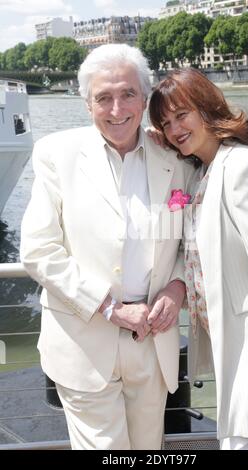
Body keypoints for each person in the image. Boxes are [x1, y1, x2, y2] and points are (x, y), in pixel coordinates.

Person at [20, 45, 193, 450]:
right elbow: (39, 249)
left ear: (146, 97)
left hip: (153, 340)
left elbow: (191, 242)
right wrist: (109, 307)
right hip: (83, 341)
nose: (117, 109)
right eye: (103, 98)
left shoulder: (176, 157)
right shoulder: (55, 154)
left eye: (128, 94)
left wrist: (178, 286)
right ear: (86, 104)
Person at [149, 68, 248, 450]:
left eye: (182, 115)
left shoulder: (243, 167)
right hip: (228, 341)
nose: (174, 129)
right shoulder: (203, 171)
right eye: (166, 123)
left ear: (206, 108)